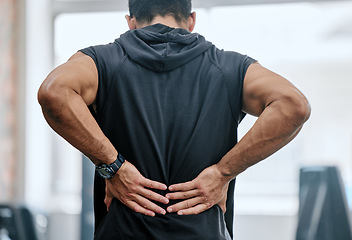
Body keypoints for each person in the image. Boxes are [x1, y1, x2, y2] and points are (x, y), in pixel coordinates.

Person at [37, 0, 311, 239]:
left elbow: (54, 92)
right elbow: (293, 106)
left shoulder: (102, 62)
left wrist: (114, 166)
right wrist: (222, 173)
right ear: (191, 20)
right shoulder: (229, 68)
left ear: (131, 21)